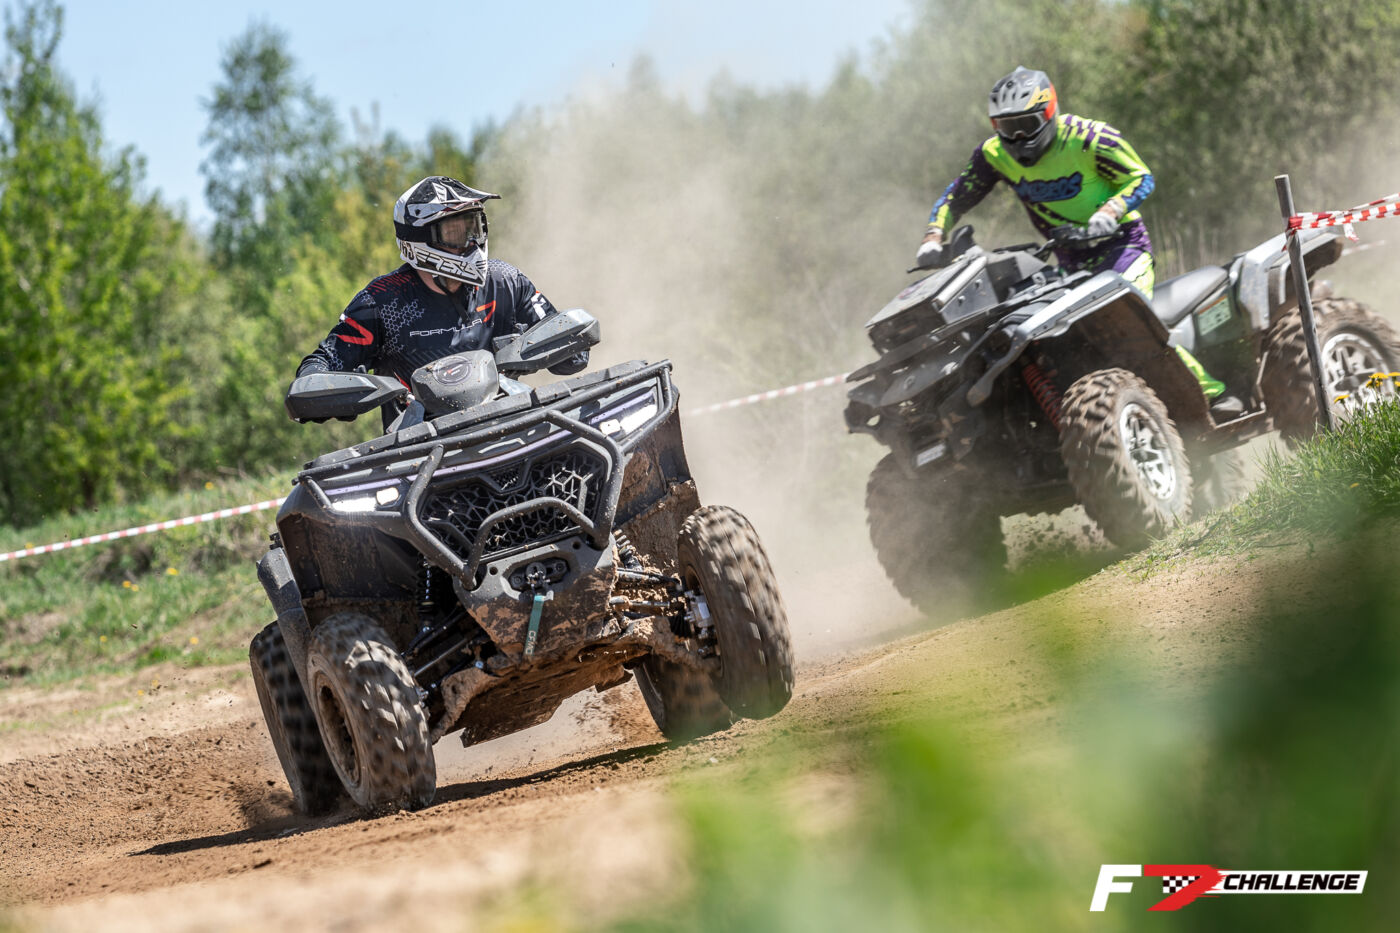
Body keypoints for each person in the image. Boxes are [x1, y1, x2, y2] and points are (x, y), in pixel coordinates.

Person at [915, 66, 1228, 406]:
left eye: (1026, 125)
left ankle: (1213, 395)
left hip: (1123, 248)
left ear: (1049, 112)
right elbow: (957, 195)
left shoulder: (1089, 138)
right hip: (1069, 265)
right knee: (1068, 348)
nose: (1017, 138)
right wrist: (933, 236)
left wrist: (1110, 211)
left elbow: (1141, 177)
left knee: (1128, 329)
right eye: (1007, 127)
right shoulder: (994, 154)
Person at [294, 175, 587, 421]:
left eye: (474, 227)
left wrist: (548, 345)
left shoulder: (505, 282)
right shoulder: (382, 303)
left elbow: (573, 357)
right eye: (455, 233)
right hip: (421, 452)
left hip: (511, 427)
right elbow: (317, 369)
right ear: (418, 240)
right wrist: (333, 391)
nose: (471, 242)